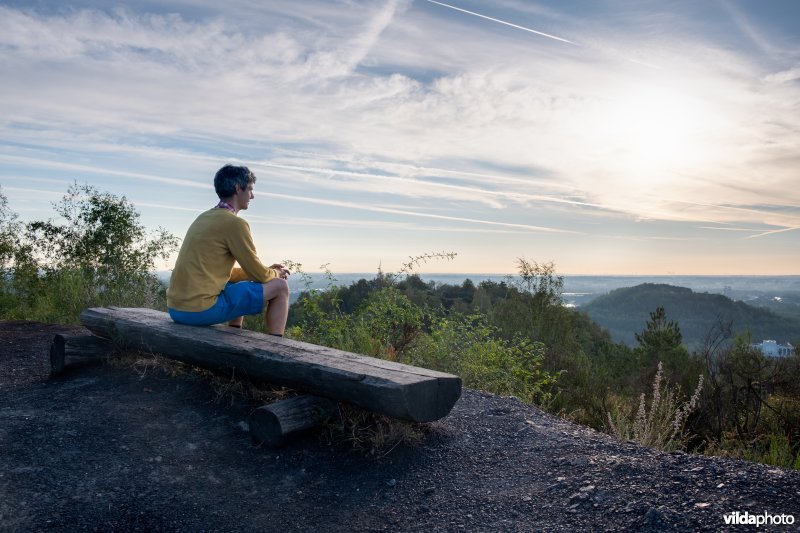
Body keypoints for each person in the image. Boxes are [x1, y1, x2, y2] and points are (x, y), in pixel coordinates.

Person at [166, 164, 290, 335]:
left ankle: (234, 334)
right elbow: (259, 275)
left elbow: (228, 272)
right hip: (200, 311)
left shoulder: (204, 218)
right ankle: (276, 348)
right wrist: (276, 273)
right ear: (238, 188)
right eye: (250, 190)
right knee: (280, 286)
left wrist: (267, 270)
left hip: (176, 309)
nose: (252, 196)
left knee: (236, 283)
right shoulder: (234, 223)